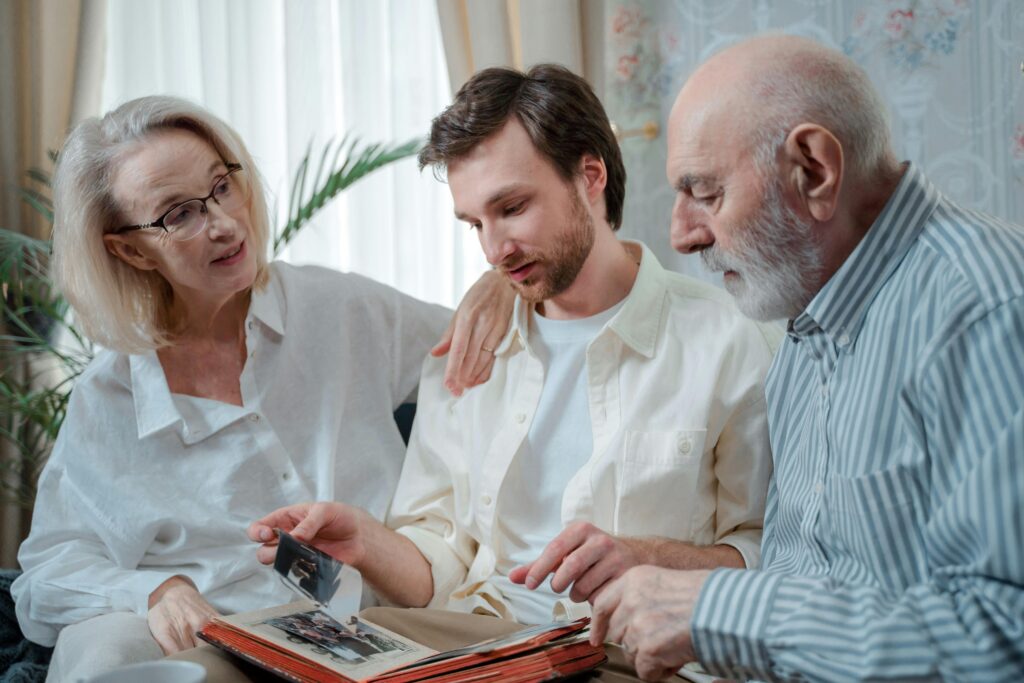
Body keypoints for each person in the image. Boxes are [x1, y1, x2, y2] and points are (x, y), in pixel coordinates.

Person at [251, 64, 778, 639]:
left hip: (631, 652)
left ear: (590, 176)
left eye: (512, 208)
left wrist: (653, 559)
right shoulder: (470, 350)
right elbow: (443, 564)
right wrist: (369, 543)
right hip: (475, 648)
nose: (493, 250)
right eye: (474, 223)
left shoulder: (731, 341)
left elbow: (773, 554)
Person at [11, 95, 514, 682]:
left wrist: (499, 286)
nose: (224, 224)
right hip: (208, 646)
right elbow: (45, 575)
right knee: (99, 648)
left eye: (222, 186)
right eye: (179, 215)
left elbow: (487, 347)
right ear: (128, 249)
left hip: (374, 630)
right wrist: (154, 590)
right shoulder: (109, 398)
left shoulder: (340, 309)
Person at [588, 34, 1024, 682]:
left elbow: (1001, 637)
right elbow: (813, 586)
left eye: (705, 192)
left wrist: (720, 608)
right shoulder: (804, 315)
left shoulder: (984, 309)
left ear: (814, 169)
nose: (681, 234)